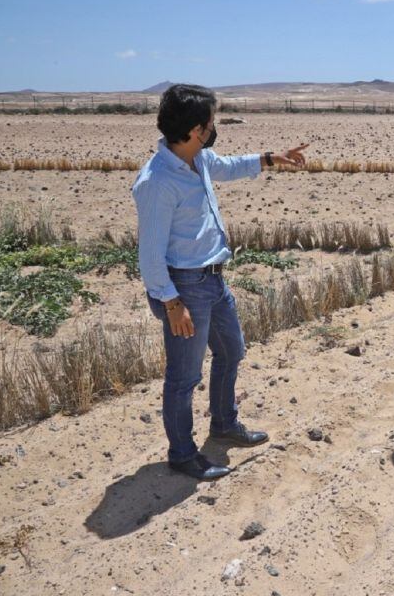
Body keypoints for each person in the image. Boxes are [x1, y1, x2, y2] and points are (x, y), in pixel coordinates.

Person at [132, 83, 308, 480]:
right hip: (184, 288)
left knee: (232, 352)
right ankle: (182, 453)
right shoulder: (158, 181)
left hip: (214, 279)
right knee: (184, 377)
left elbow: (228, 166)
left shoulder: (199, 159)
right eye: (211, 121)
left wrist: (270, 158)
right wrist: (172, 304)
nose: (214, 127)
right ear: (196, 128)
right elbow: (149, 255)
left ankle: (224, 424)